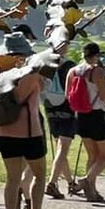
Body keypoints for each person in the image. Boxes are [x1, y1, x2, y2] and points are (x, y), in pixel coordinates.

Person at [0, 34, 55, 209]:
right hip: (28, 131)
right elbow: (32, 93)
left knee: (12, 179)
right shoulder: (28, 73)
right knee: (39, 174)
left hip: (3, 131)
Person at [69, 43, 105, 202]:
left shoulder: (74, 70)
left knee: (92, 155)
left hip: (81, 115)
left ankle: (91, 191)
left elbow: (69, 94)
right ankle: (86, 180)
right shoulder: (97, 71)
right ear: (96, 56)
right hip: (97, 115)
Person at [41, 49, 78, 200]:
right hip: (66, 108)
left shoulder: (45, 64)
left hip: (50, 108)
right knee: (63, 148)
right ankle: (52, 183)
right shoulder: (70, 65)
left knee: (59, 149)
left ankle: (70, 183)